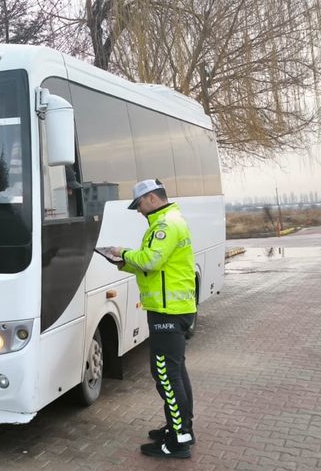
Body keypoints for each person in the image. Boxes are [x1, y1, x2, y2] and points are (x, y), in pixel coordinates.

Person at [109, 179, 197, 459]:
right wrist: (125, 264)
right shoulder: (169, 220)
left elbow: (150, 262)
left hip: (167, 312)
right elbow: (153, 270)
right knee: (176, 372)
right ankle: (181, 428)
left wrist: (122, 252)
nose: (138, 212)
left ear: (150, 199)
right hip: (173, 309)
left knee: (166, 376)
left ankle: (178, 442)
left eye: (138, 205)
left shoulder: (165, 225)